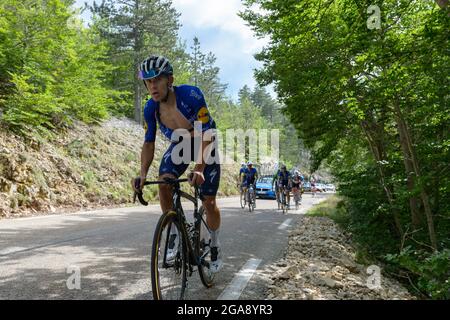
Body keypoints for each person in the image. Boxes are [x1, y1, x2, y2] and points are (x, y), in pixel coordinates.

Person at [131, 55, 222, 273]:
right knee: (164, 183)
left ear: (169, 80)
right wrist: (142, 174)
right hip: (180, 144)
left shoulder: (191, 95)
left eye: (157, 80)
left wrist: (199, 169)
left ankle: (215, 244)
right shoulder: (149, 110)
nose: (152, 85)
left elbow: (206, 133)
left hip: (204, 141)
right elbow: (149, 143)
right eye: (148, 81)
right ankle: (173, 233)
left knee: (208, 202)